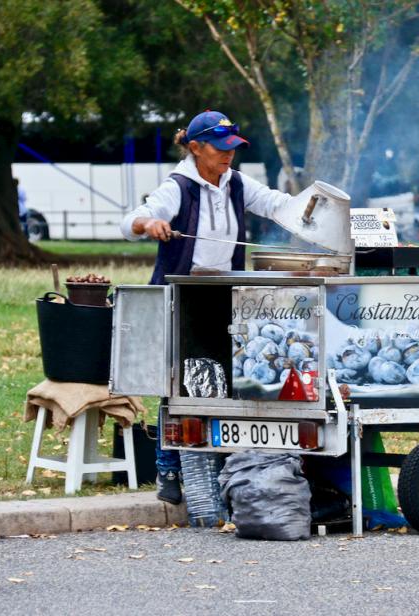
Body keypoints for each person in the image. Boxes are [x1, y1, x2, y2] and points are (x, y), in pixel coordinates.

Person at [120, 110, 294, 504]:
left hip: (227, 294)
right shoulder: (178, 186)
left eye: (233, 147)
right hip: (180, 297)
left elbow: (274, 203)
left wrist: (310, 211)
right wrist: (148, 225)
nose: (228, 155)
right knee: (176, 386)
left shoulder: (236, 183)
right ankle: (168, 471)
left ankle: (223, 468)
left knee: (228, 380)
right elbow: (132, 219)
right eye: (220, 148)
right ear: (196, 148)